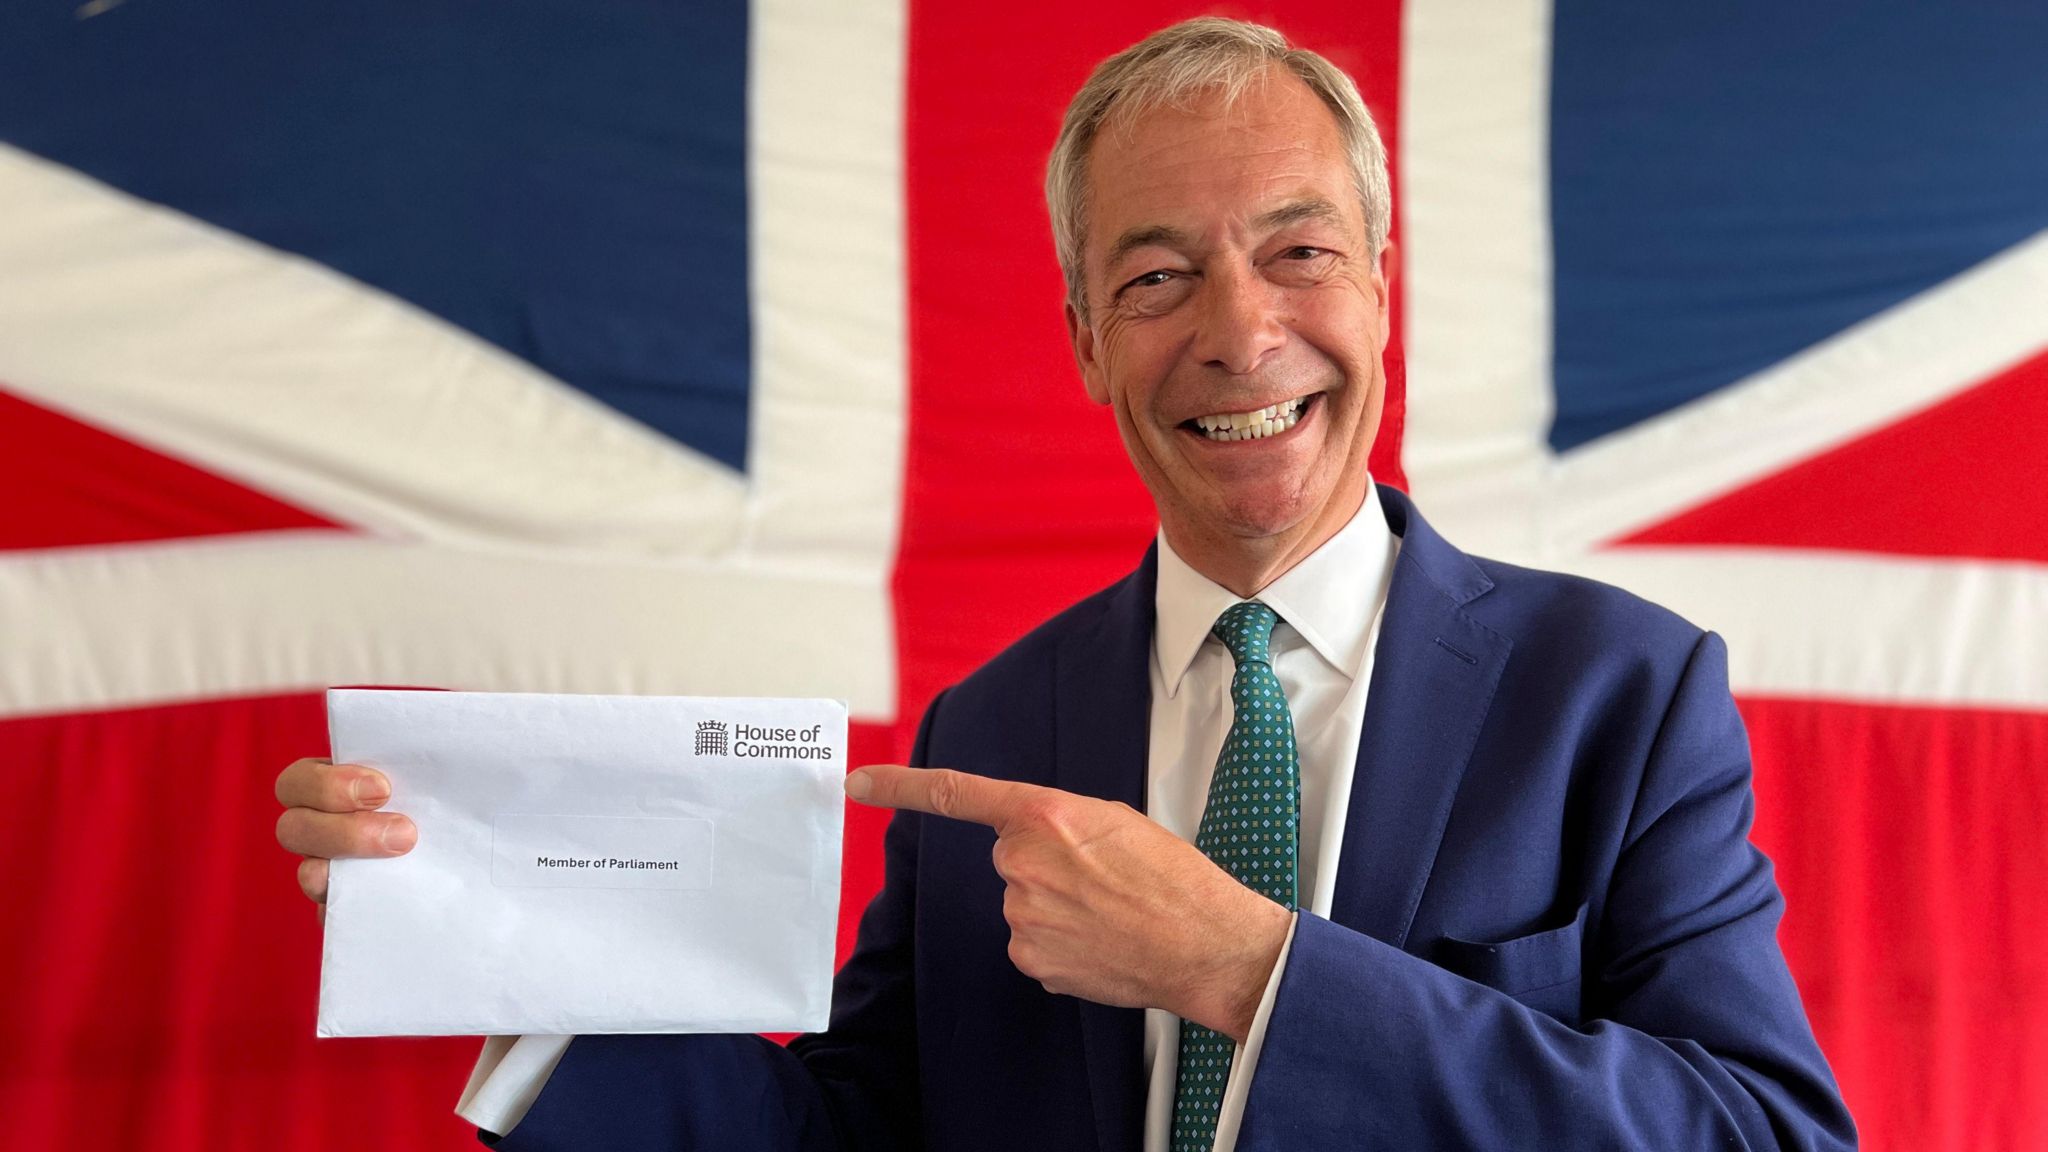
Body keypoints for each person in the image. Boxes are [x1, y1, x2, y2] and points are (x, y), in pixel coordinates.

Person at [274, 18, 1857, 1151]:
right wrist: (512, 946)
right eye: (1158, 276)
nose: (1240, 334)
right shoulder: (999, 719)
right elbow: (851, 1132)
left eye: (1298, 253)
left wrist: (1244, 971)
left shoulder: (1621, 694)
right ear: (1089, 339)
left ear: (1382, 286)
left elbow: (1766, 1133)